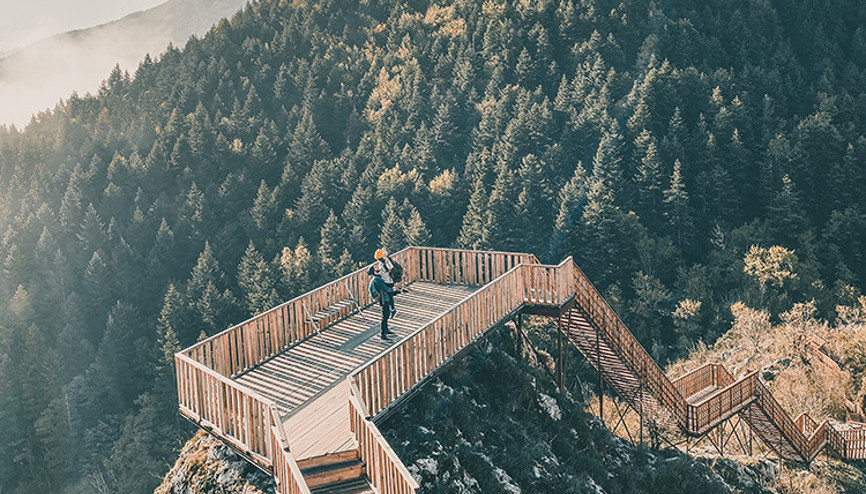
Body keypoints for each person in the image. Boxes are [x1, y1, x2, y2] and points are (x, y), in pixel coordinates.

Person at [369, 263, 394, 341]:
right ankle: (383, 334)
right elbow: (385, 288)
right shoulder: (378, 279)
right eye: (377, 269)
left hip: (384, 298)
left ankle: (386, 329)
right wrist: (393, 290)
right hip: (383, 299)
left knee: (386, 314)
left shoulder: (377, 278)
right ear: (374, 272)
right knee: (385, 316)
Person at [375, 248, 398, 317]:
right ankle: (391, 309)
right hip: (388, 281)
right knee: (389, 296)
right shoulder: (384, 261)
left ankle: (392, 309)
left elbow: (386, 271)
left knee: (389, 296)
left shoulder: (383, 263)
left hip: (387, 281)